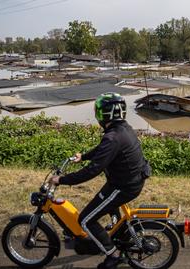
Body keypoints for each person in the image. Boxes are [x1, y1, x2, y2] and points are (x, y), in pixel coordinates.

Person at [50, 92, 151, 269]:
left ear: (104, 114)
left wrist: (62, 179)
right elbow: (103, 149)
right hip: (129, 180)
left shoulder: (112, 137)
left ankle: (113, 256)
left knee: (85, 220)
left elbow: (92, 171)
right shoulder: (123, 129)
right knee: (102, 205)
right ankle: (111, 233)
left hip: (123, 186)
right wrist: (84, 156)